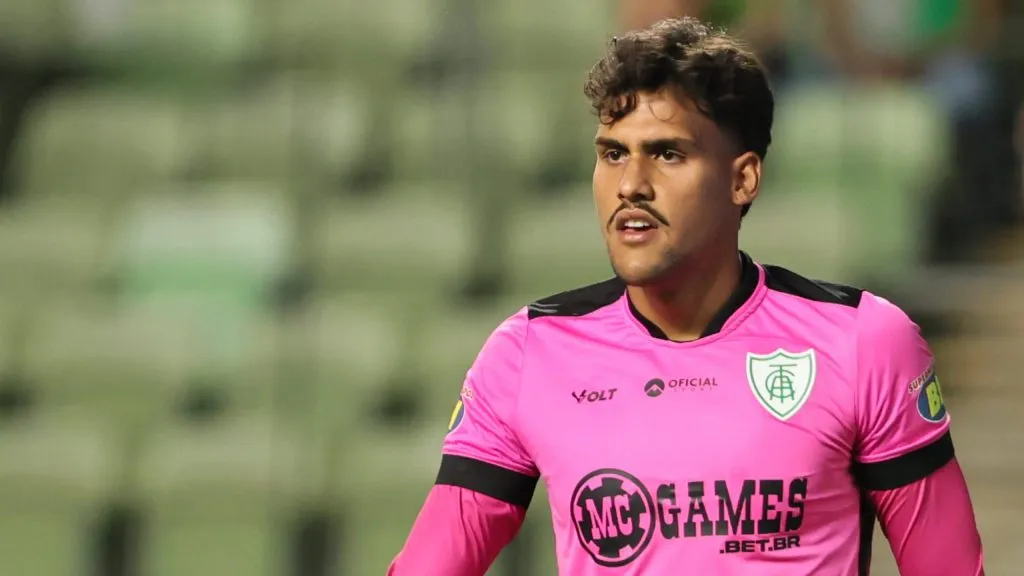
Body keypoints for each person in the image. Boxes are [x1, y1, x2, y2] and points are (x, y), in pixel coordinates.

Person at [388, 17, 984, 575]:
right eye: (612, 153)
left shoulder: (863, 342)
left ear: (742, 178)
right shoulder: (526, 354)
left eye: (667, 153)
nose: (630, 185)